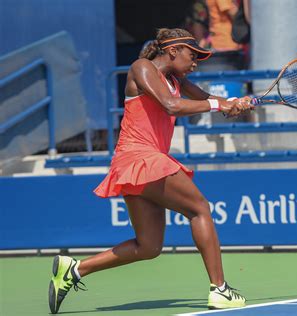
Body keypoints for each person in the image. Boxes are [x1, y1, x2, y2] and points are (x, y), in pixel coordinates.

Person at [48, 28, 254, 314]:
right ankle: (220, 289)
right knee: (199, 209)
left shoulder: (176, 80)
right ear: (172, 51)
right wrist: (218, 104)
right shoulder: (142, 68)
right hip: (140, 159)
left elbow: (206, 98)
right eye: (192, 55)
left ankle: (75, 270)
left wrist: (231, 105)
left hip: (138, 165)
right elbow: (171, 106)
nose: (196, 62)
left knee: (149, 246)